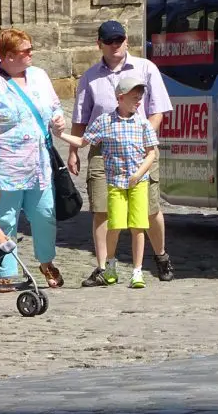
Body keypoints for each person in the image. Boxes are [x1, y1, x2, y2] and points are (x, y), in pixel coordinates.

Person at [70, 20, 175, 285]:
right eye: (109, 42)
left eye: (119, 40)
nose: (115, 45)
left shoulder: (146, 68)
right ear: (100, 44)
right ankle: (105, 268)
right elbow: (81, 118)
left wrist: (142, 138)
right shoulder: (90, 76)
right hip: (102, 147)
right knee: (102, 209)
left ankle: (161, 256)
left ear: (126, 40)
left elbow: (157, 110)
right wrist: (73, 151)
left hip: (140, 148)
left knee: (149, 209)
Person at [0, 27, 66, 291]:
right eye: (25, 51)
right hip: (3, 165)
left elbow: (54, 105)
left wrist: (58, 117)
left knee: (44, 215)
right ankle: (4, 270)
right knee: (5, 220)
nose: (31, 54)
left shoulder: (39, 76)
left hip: (39, 164)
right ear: (8, 55)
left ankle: (46, 260)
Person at [54, 77, 158, 289]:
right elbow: (84, 141)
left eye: (140, 98)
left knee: (139, 226)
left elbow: (151, 153)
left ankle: (137, 271)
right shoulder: (104, 121)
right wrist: (61, 135)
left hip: (138, 182)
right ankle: (110, 266)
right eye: (134, 97)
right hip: (116, 182)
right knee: (116, 225)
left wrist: (139, 173)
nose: (138, 101)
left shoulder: (142, 123)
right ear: (120, 97)